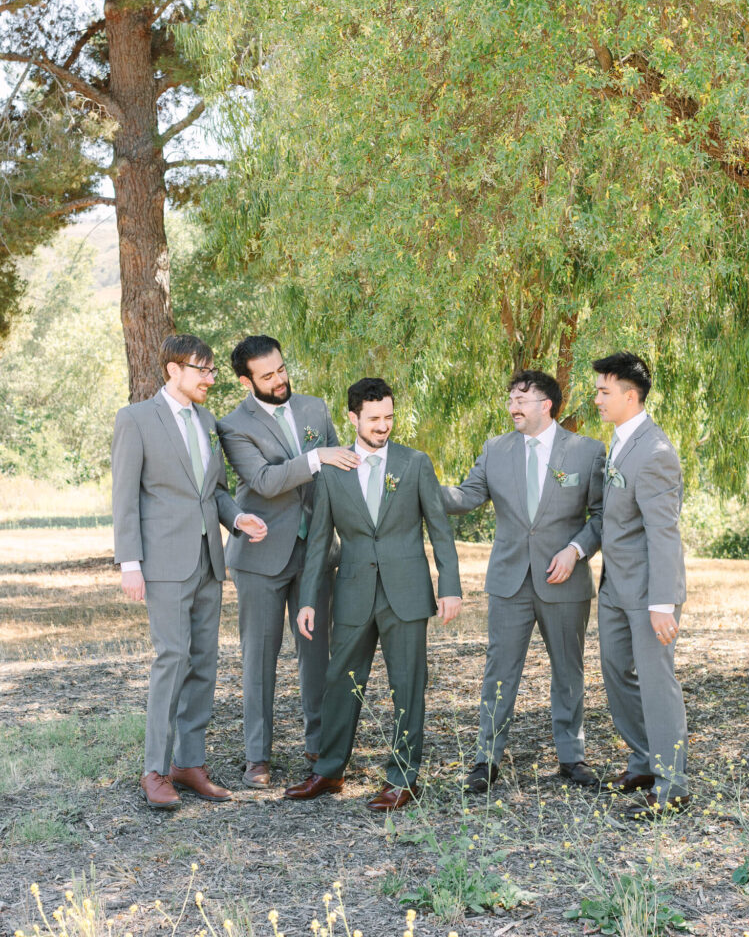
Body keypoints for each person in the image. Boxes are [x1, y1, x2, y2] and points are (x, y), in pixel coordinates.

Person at [283, 378, 462, 810]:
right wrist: (308, 599)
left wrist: (450, 587)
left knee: (408, 685)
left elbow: (440, 530)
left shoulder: (415, 463)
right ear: (353, 418)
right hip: (352, 592)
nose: (383, 427)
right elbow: (321, 540)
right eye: (374, 419)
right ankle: (328, 771)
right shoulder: (331, 471)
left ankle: (403, 778)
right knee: (340, 682)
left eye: (389, 417)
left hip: (407, 592)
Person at [112, 334, 267, 810]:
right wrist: (131, 564)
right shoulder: (136, 419)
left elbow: (214, 491)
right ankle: (155, 770)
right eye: (201, 369)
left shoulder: (206, 421)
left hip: (207, 562)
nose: (209, 378)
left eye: (212, 369)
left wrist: (237, 517)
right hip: (162, 564)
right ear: (172, 371)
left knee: (203, 663)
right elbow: (124, 497)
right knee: (171, 660)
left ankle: (189, 763)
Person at [443, 370, 605, 792]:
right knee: (499, 670)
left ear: (546, 405)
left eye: (522, 399)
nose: (513, 407)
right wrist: (419, 484)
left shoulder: (587, 452)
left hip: (564, 580)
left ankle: (572, 758)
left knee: (569, 671)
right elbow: (465, 497)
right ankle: (486, 760)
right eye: (510, 399)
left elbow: (602, 515)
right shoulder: (495, 449)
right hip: (509, 581)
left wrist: (576, 549)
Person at [217, 335, 359, 789]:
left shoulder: (316, 408)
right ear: (246, 380)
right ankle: (257, 756)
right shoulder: (233, 424)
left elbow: (343, 470)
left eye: (281, 369)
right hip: (260, 555)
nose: (279, 380)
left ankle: (319, 746)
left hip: (316, 553)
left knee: (316, 654)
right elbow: (263, 479)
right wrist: (315, 456)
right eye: (267, 375)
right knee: (260, 657)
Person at [593, 352, 689, 818]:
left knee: (656, 683)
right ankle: (644, 761)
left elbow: (663, 532)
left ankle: (674, 785)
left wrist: (663, 604)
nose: (596, 398)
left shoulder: (655, 452)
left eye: (603, 391)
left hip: (649, 593)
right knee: (615, 675)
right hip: (613, 586)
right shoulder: (618, 441)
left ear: (630, 396)